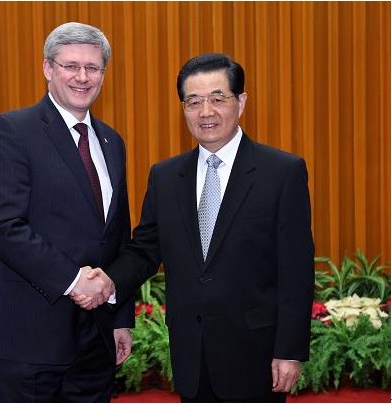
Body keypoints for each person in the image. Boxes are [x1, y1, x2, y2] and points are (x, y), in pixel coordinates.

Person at [74, 53, 315, 402]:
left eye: (218, 99)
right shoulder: (166, 177)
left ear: (241, 102)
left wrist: (289, 350)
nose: (206, 112)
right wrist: (108, 282)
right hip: (191, 353)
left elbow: (296, 270)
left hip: (256, 354)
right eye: (194, 101)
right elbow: (144, 249)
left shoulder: (281, 172)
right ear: (184, 108)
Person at [0, 22, 133, 402]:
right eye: (70, 66)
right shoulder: (13, 130)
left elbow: (117, 236)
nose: (82, 77)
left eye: (92, 67)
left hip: (96, 338)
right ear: (48, 68)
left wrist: (120, 317)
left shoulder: (112, 141)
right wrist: (73, 280)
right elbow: (0, 224)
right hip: (27, 338)